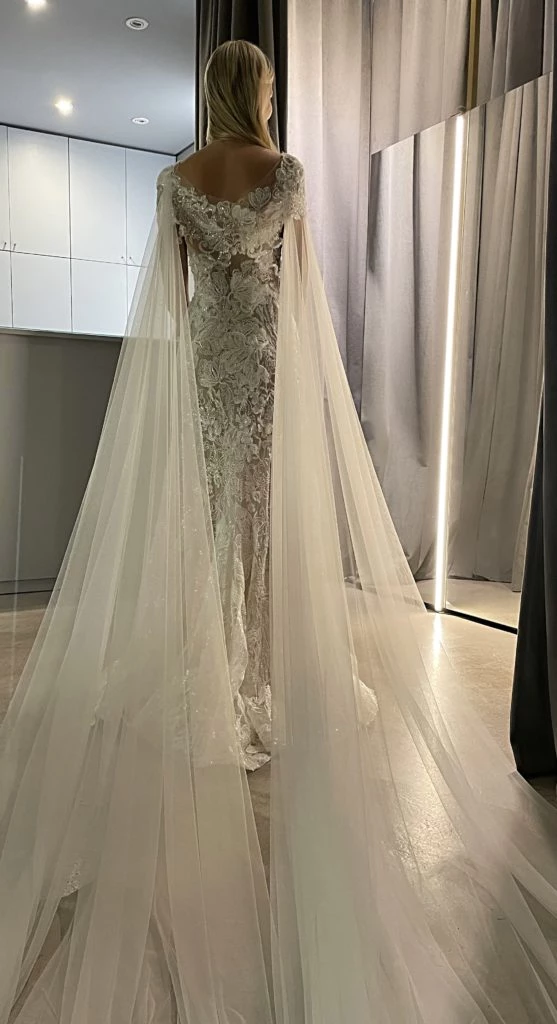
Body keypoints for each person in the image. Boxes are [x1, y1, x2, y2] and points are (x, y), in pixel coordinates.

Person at [3, 37, 557, 1024]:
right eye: (265, 85)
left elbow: (172, 297)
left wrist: (209, 328)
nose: (267, 95)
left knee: (214, 521)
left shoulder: (177, 181)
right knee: (257, 530)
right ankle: (251, 672)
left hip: (208, 365)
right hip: (260, 367)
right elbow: (298, 294)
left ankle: (218, 665)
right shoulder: (286, 175)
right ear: (254, 91)